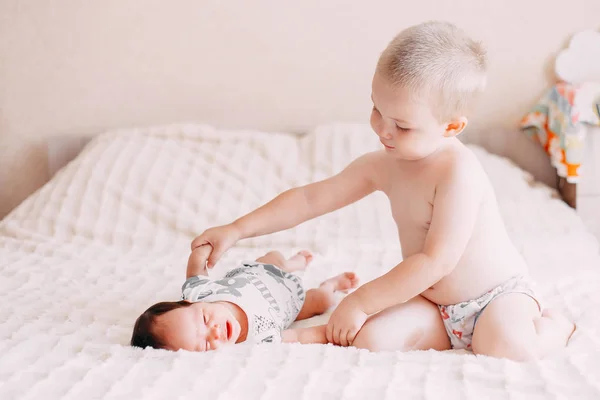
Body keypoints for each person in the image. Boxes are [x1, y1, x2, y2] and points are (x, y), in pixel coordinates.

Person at [187, 21, 575, 360]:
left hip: (495, 296)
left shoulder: (458, 173)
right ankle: (452, 336)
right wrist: (236, 230)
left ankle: (557, 325)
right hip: (435, 304)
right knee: (369, 339)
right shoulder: (384, 164)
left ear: (452, 127)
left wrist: (360, 301)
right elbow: (310, 199)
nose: (383, 130)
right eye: (377, 110)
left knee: (507, 347)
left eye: (402, 126)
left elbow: (434, 262)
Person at [130, 249, 359, 351]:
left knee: (273, 256)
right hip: (293, 301)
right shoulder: (257, 340)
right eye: (207, 344)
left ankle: (292, 264)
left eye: (205, 318)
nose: (215, 331)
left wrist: (201, 251)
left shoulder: (199, 293)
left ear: (192, 303)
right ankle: (331, 285)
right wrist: (337, 332)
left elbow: (195, 271)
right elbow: (300, 335)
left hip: (264, 269)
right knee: (321, 301)